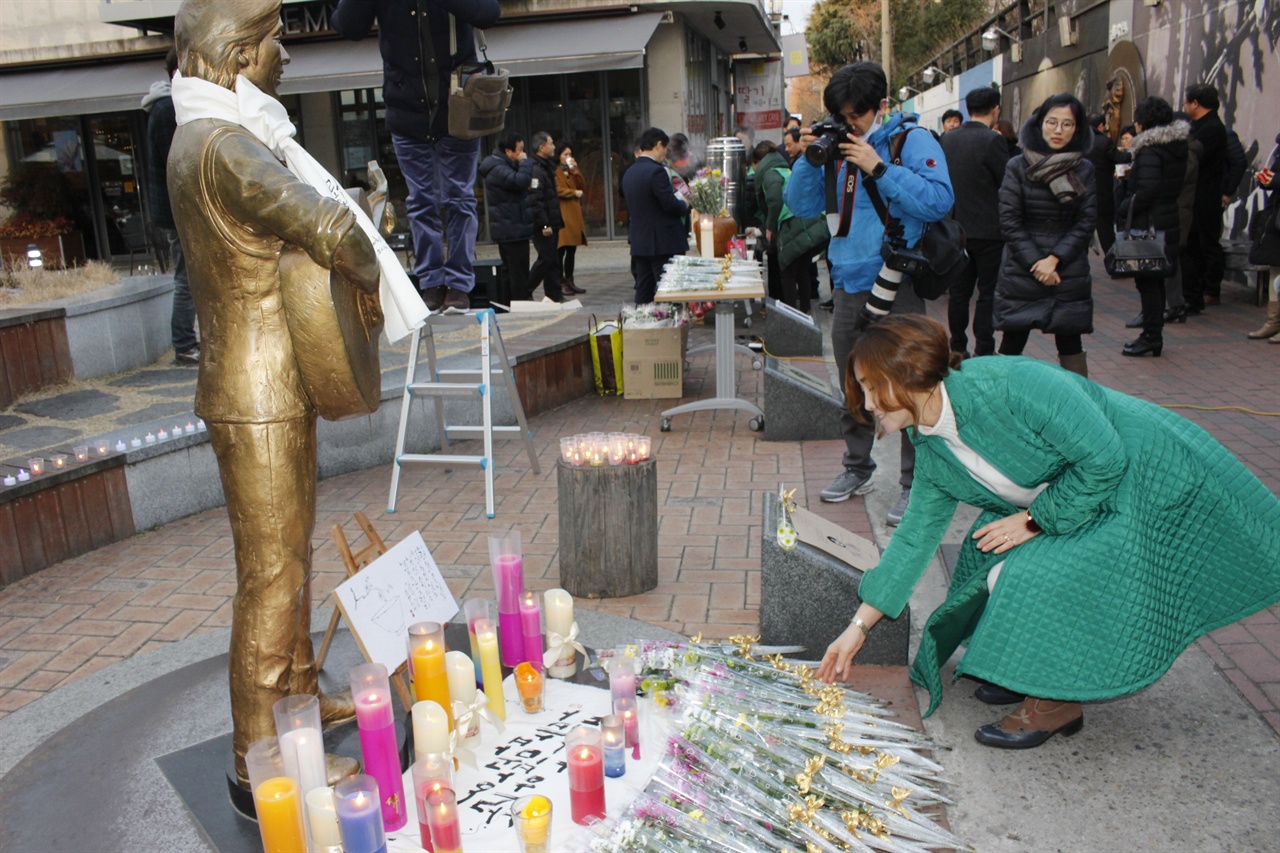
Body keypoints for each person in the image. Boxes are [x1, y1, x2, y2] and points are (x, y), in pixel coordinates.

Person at [817, 314, 1280, 748]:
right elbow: (914, 540)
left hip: (1143, 480)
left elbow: (1106, 460)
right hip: (1077, 497)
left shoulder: (1011, 384)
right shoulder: (932, 446)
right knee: (986, 557)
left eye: (873, 387)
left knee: (1028, 573)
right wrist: (856, 629)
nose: (869, 403)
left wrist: (1035, 521)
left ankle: (1054, 703)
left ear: (911, 373)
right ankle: (1026, 669)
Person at [169, 0, 375, 784]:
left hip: (264, 380)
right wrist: (373, 274)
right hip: (261, 390)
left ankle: (295, 693)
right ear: (242, 52)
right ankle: (264, 755)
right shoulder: (224, 145)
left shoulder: (204, 134)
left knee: (286, 558)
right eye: (277, 41)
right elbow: (325, 224)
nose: (286, 54)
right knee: (271, 576)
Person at [785, 61, 954, 526]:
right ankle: (857, 468)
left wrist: (878, 167)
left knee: (909, 387)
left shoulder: (908, 140)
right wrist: (811, 155)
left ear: (880, 106)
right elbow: (799, 205)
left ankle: (913, 486)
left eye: (856, 114)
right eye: (841, 114)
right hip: (847, 284)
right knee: (853, 386)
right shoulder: (836, 145)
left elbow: (939, 200)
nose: (849, 123)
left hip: (895, 281)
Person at [332, 0, 501, 313]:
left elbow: (488, 12)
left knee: (458, 198)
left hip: (459, 108)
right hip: (407, 112)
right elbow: (348, 25)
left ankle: (459, 283)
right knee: (421, 200)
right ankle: (431, 282)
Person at [994, 93, 1097, 378]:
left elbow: (1086, 221)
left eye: (1067, 124)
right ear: (1039, 124)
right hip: (1023, 268)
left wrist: (1055, 259)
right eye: (1052, 122)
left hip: (1067, 269)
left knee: (1070, 341)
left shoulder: (1084, 169)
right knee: (1013, 341)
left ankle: (1080, 406)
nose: (1058, 130)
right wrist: (1038, 263)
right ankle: (999, 401)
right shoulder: (1017, 166)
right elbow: (1010, 221)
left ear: (1077, 129)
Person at [1114, 96, 1188, 357]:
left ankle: (1151, 336)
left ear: (1142, 123)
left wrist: (1123, 205)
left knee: (1148, 282)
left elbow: (1146, 190)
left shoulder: (1150, 151)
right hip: (1167, 219)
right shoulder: (1176, 146)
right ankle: (1152, 335)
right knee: (1154, 282)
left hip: (1150, 225)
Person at [940, 86, 1009, 358]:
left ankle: (957, 345)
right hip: (990, 230)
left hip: (956, 230)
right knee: (987, 292)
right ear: (996, 110)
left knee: (958, 292)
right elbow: (1006, 181)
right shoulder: (994, 140)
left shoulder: (948, 140)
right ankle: (984, 347)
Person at [142, 47, 199, 365]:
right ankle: (184, 344)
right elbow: (176, 165)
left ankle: (187, 342)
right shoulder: (167, 109)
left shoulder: (168, 106)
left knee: (190, 276)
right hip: (178, 209)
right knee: (187, 277)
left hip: (179, 207)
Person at [621, 127, 689, 304]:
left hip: (640, 241)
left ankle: (641, 325)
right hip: (662, 242)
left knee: (644, 289)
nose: (665, 154)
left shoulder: (630, 172)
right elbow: (669, 204)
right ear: (658, 145)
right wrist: (683, 204)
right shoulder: (656, 171)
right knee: (668, 290)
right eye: (665, 149)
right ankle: (668, 325)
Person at [1181, 83, 1227, 311]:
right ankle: (1195, 293)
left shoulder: (1212, 129)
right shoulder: (1201, 127)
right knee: (1194, 247)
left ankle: (1208, 291)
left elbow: (1193, 158)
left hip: (1204, 199)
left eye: (1186, 102)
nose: (1184, 106)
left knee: (1204, 246)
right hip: (1196, 198)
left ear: (1195, 104)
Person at [478, 131, 533, 304]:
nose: (522, 154)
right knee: (517, 270)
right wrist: (524, 163)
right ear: (508, 151)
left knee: (512, 270)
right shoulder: (498, 168)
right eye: (519, 150)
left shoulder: (501, 166)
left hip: (512, 225)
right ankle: (519, 301)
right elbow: (520, 181)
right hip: (511, 227)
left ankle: (511, 302)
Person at [1246, 136, 1280, 342]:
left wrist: (1274, 180)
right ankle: (1273, 322)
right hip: (1276, 218)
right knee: (1275, 269)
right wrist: (1265, 179)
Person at [526, 132, 567, 302]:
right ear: (541, 147)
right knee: (546, 259)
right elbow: (536, 199)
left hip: (553, 221)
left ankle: (554, 294)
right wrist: (544, 224)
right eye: (551, 143)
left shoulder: (547, 167)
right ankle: (525, 290)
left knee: (553, 260)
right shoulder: (536, 169)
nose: (554, 147)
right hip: (544, 224)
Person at [555, 141, 588, 295]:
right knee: (560, 251)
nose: (568, 157)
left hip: (574, 215)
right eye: (565, 154)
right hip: (562, 214)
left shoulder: (571, 170)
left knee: (571, 251)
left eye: (570, 154)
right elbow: (558, 190)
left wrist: (575, 171)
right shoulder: (554, 171)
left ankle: (570, 280)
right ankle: (560, 282)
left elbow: (582, 185)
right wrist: (573, 193)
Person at [1085, 113, 1119, 253]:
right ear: (1101, 126)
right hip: (1103, 190)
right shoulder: (1104, 141)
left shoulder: (1082, 141)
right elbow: (1119, 158)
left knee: (1083, 228)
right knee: (1106, 230)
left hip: (1085, 191)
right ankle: (1113, 261)